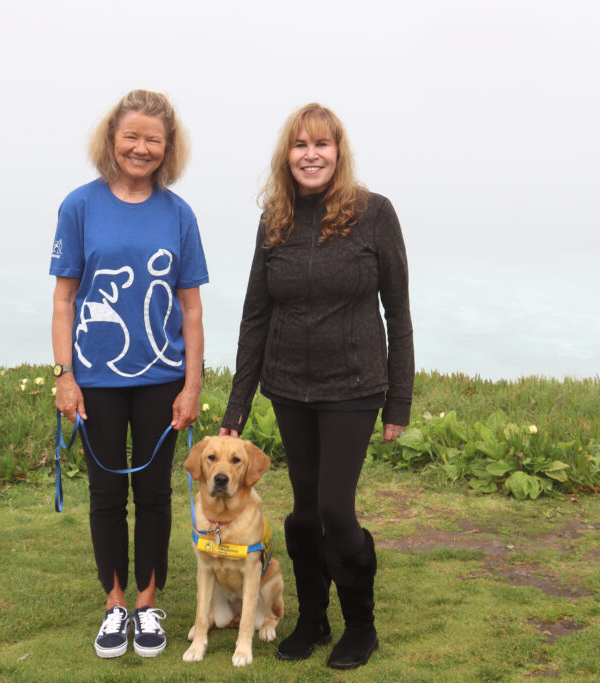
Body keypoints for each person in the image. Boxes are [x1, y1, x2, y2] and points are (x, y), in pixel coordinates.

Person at [220, 103, 413, 670]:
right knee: (304, 513)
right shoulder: (274, 219)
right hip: (289, 389)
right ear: (288, 155)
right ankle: (311, 618)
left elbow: (397, 314)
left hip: (353, 387)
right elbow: (255, 315)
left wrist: (398, 401)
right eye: (300, 145)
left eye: (321, 145)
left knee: (335, 509)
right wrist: (237, 405)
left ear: (338, 152)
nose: (311, 155)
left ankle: (361, 625)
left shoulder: (374, 214)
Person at [50, 89, 208, 660]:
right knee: (107, 493)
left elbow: (190, 310)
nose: (141, 148)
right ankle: (114, 605)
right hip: (94, 381)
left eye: (153, 140)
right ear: (112, 140)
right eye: (131, 137)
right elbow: (64, 301)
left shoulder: (178, 214)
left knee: (154, 492)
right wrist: (65, 375)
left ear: (168, 148)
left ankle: (146, 606)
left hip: (162, 378)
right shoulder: (80, 206)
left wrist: (191, 386)